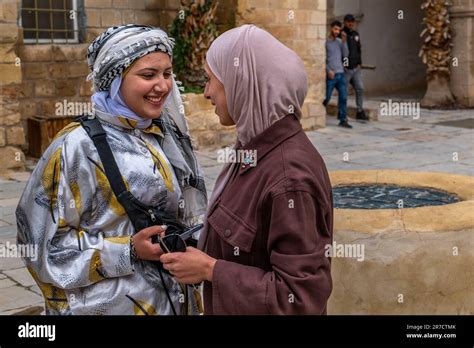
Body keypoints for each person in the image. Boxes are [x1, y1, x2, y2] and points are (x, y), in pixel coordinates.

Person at [15, 25, 207, 315]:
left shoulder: (166, 136)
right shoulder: (76, 147)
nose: (163, 86)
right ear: (114, 79)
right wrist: (128, 250)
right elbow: (39, 246)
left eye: (167, 73)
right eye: (148, 75)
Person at [160, 25, 333, 315]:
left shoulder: (289, 177)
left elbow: (300, 299)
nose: (206, 92)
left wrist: (211, 270)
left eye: (211, 80)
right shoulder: (253, 152)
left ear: (241, 81)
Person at [323, 20, 352, 128]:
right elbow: (322, 58)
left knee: (343, 97)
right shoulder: (326, 42)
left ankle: (343, 119)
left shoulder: (340, 42)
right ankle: (320, 116)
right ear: (331, 28)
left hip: (340, 74)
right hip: (331, 74)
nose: (337, 31)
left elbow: (345, 55)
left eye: (339, 30)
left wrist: (344, 42)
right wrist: (328, 70)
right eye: (335, 29)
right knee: (327, 97)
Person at [343, 14, 369, 121]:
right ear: (345, 22)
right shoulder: (342, 34)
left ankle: (359, 111)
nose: (351, 23)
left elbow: (359, 49)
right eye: (349, 21)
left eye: (352, 21)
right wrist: (344, 65)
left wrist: (360, 62)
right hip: (346, 69)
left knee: (360, 88)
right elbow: (341, 51)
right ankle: (342, 113)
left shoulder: (355, 34)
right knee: (343, 91)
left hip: (356, 68)